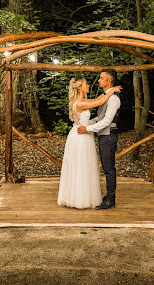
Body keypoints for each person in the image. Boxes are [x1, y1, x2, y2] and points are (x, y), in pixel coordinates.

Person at [57, 77, 122, 209]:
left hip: (85, 133)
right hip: (80, 136)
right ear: (80, 87)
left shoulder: (83, 100)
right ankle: (78, 198)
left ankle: (83, 195)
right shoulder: (79, 103)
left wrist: (107, 93)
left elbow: (98, 100)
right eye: (86, 84)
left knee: (84, 165)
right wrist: (112, 90)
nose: (89, 85)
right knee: (80, 165)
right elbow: (100, 102)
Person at [77, 69, 121, 210]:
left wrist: (88, 129)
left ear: (109, 80)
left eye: (102, 78)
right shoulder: (106, 97)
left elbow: (107, 121)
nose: (99, 80)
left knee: (108, 168)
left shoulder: (113, 99)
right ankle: (108, 196)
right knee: (106, 166)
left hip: (109, 136)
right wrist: (85, 124)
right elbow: (99, 118)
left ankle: (110, 199)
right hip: (103, 135)